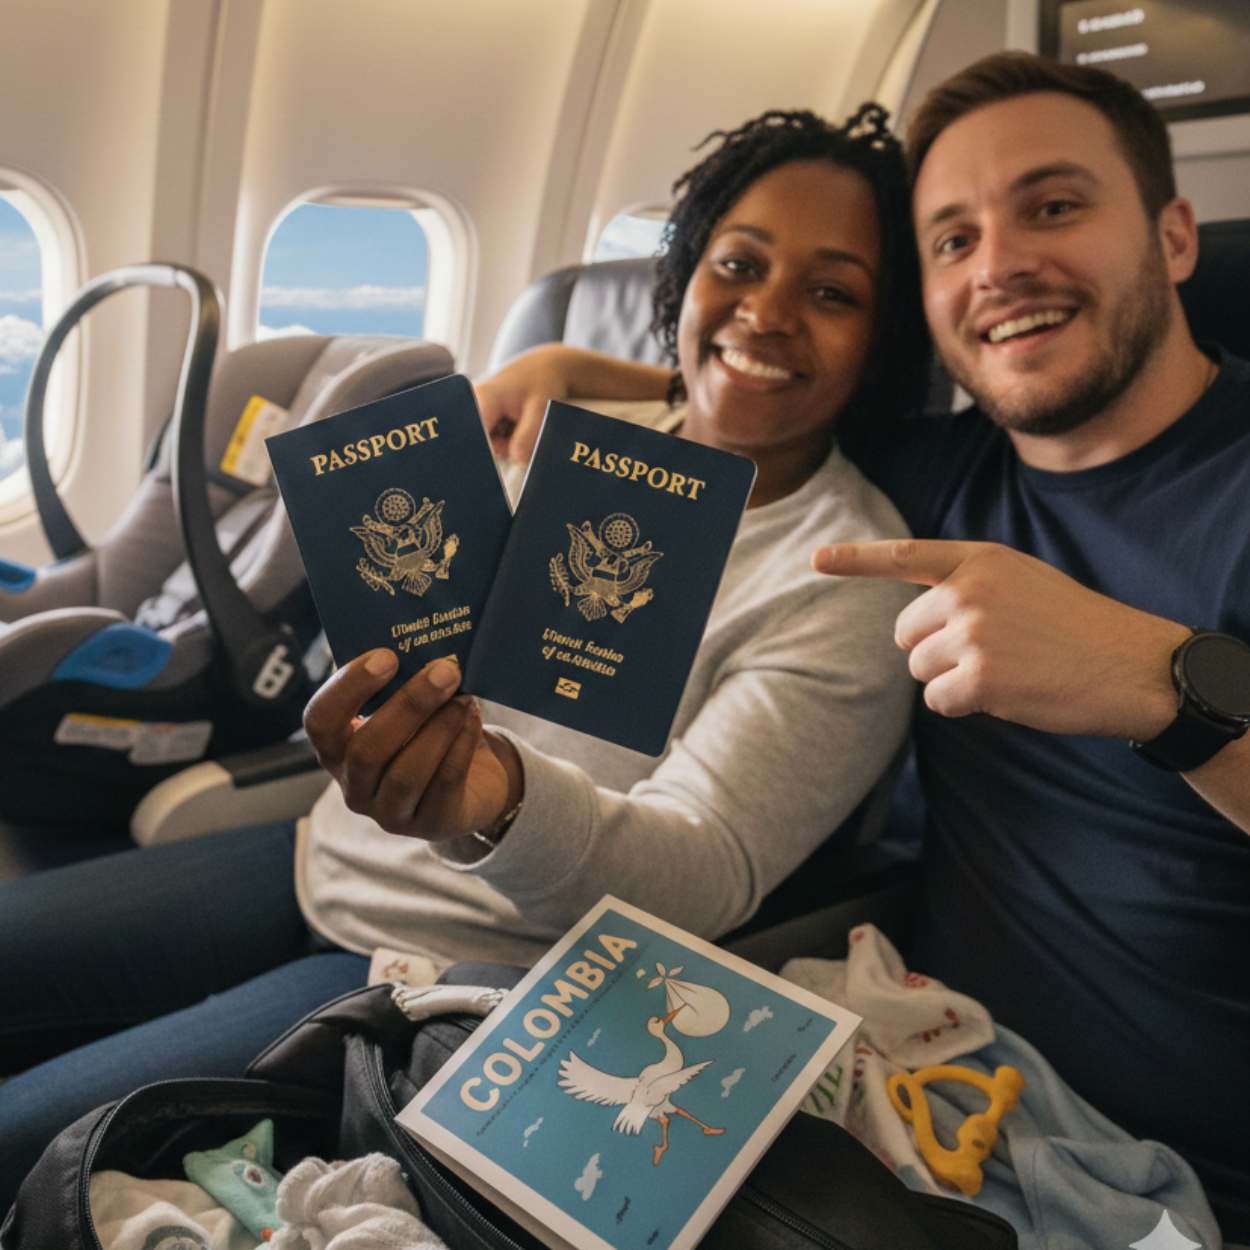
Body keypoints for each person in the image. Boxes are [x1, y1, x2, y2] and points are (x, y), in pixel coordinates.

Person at [0, 105, 925, 1209]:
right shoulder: (578, 437)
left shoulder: (847, 582)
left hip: (449, 966)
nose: (764, 312)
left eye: (831, 292)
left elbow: (703, 867)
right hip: (318, 854)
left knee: (17, 1138)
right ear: (683, 272)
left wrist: (492, 800)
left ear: (880, 341)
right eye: (737, 263)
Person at [480, 54, 1250, 1240]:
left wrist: (1159, 687)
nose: (996, 264)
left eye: (1052, 207)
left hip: (1190, 1174)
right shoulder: (924, 480)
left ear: (1174, 237)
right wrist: (567, 367)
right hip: (908, 1087)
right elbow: (758, 372)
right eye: (950, 241)